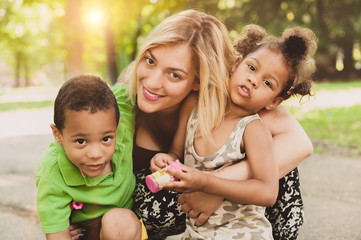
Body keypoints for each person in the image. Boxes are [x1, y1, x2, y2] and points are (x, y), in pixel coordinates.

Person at [116, 10, 313, 240]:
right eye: (150, 61)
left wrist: (215, 186)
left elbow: (300, 144)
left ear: (200, 81)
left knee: (275, 162)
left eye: (175, 75)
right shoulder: (125, 94)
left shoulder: (238, 103)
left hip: (244, 224)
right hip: (190, 221)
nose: (152, 82)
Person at [35, 75, 147, 240]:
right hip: (83, 234)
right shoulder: (52, 171)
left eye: (106, 139)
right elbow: (57, 235)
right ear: (57, 135)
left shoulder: (121, 118)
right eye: (81, 141)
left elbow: (131, 78)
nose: (95, 154)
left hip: (122, 229)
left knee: (119, 223)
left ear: (117, 127)